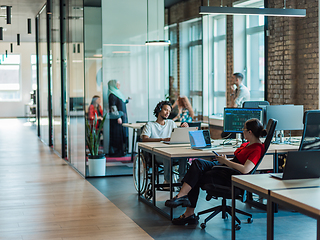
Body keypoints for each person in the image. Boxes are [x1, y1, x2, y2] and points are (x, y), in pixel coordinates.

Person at [165, 118, 266, 225]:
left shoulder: (257, 149)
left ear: (249, 132)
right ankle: (184, 200)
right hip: (226, 168)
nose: (242, 131)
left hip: (230, 176)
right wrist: (225, 161)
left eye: (244, 129)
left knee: (196, 173)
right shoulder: (248, 144)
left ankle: (185, 206)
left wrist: (226, 162)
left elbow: (245, 169)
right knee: (197, 164)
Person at [141, 100, 189, 185]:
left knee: (183, 156)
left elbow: (177, 137)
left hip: (172, 152)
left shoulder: (171, 123)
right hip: (157, 155)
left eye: (169, 111)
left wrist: (183, 129)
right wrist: (162, 139)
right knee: (166, 155)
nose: (168, 113)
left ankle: (181, 180)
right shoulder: (150, 125)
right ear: (159, 109)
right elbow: (145, 139)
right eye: (166, 110)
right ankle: (167, 181)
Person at [108, 79, 130, 157]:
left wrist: (127, 100)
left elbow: (121, 103)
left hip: (122, 117)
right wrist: (117, 117)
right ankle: (117, 152)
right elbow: (113, 107)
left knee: (123, 133)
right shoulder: (112, 95)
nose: (119, 85)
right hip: (117, 119)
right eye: (117, 84)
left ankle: (123, 150)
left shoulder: (118, 94)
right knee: (118, 135)